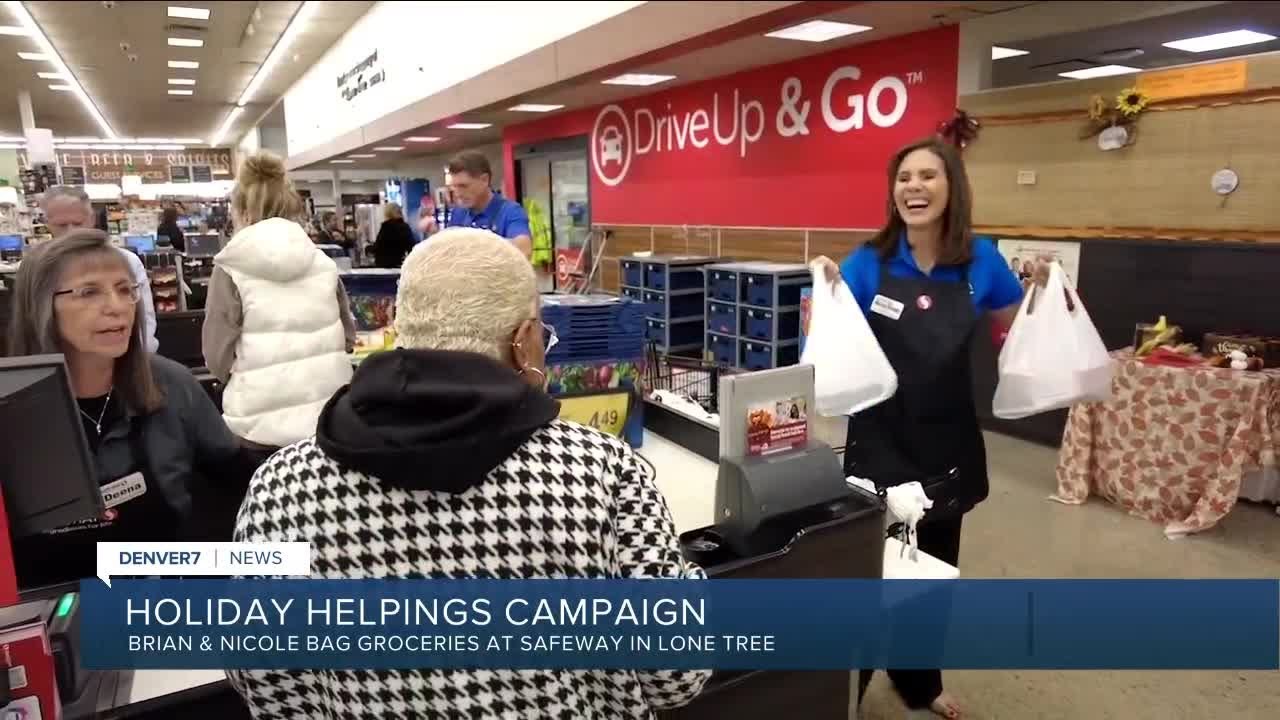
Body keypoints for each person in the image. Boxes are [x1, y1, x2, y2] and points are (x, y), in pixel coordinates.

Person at [228, 228, 709, 718]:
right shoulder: (602, 471)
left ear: (398, 322)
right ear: (523, 342)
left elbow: (265, 681)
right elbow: (675, 675)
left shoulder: (279, 488)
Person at [813, 136, 1048, 720]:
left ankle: (920, 682)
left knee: (933, 571)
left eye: (927, 176)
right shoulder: (868, 261)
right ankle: (847, 694)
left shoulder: (983, 261)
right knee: (870, 577)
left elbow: (1014, 335)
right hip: (880, 442)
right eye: (904, 178)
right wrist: (824, 295)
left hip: (948, 443)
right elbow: (831, 351)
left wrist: (1046, 290)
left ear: (952, 187)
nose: (914, 187)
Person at [5, 230, 251, 587]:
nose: (117, 306)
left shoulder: (172, 384)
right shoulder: (11, 406)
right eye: (89, 292)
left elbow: (238, 486)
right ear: (40, 307)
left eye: (125, 289)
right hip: (44, 620)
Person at [201, 151, 356, 466]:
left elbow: (217, 355)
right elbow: (348, 337)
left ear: (240, 209)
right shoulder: (322, 262)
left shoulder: (230, 267)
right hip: (327, 425)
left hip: (257, 431)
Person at [44, 186, 158, 353]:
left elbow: (145, 324)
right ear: (48, 224)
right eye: (61, 225)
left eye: (77, 223)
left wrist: (137, 364)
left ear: (91, 219)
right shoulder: (41, 267)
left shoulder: (126, 262)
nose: (71, 232)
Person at [444, 150, 533, 258]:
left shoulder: (510, 211)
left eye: (463, 186)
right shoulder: (459, 213)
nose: (458, 194)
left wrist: (474, 244)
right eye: (454, 187)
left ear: (484, 180)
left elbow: (524, 249)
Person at [371, 202, 415, 268]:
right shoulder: (405, 227)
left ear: (388, 213)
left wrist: (368, 248)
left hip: (383, 266)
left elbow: (378, 247)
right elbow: (411, 247)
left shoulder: (386, 227)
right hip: (398, 264)